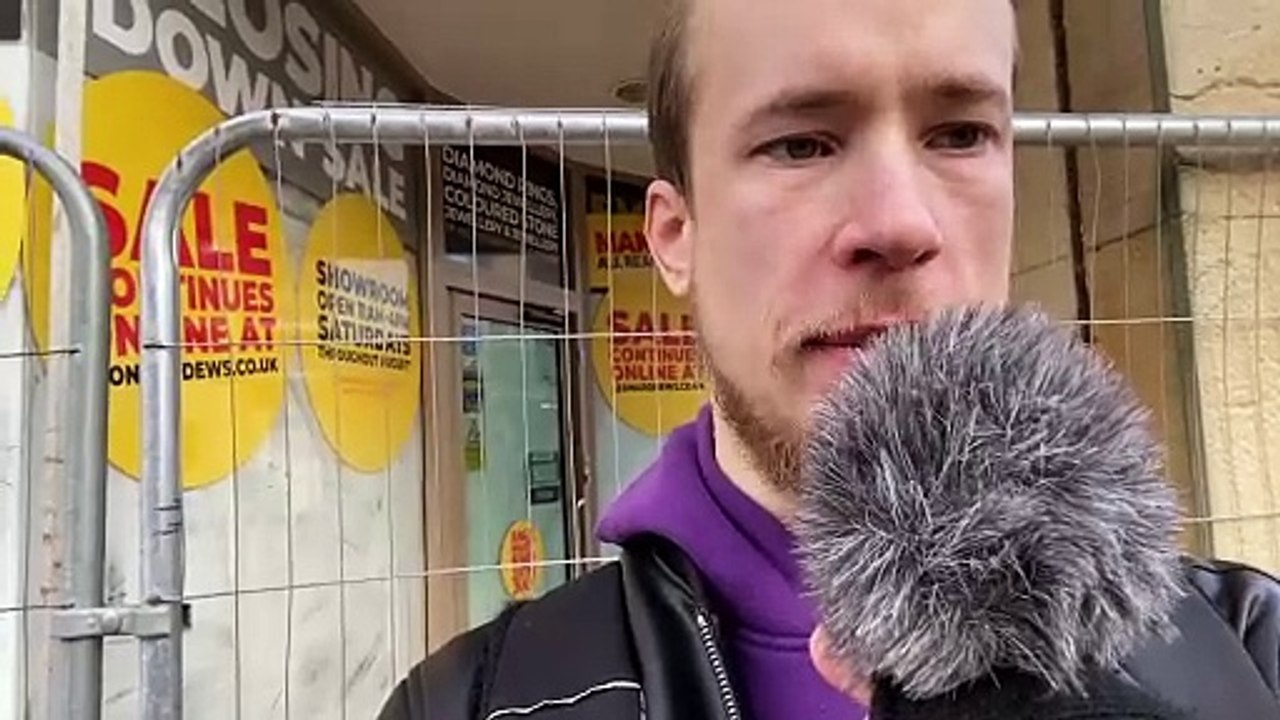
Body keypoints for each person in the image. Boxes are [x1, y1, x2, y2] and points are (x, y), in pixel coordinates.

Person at [377, 0, 1280, 718]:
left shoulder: (1250, 649)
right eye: (801, 143)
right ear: (674, 237)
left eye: (959, 133)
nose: (898, 224)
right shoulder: (474, 705)